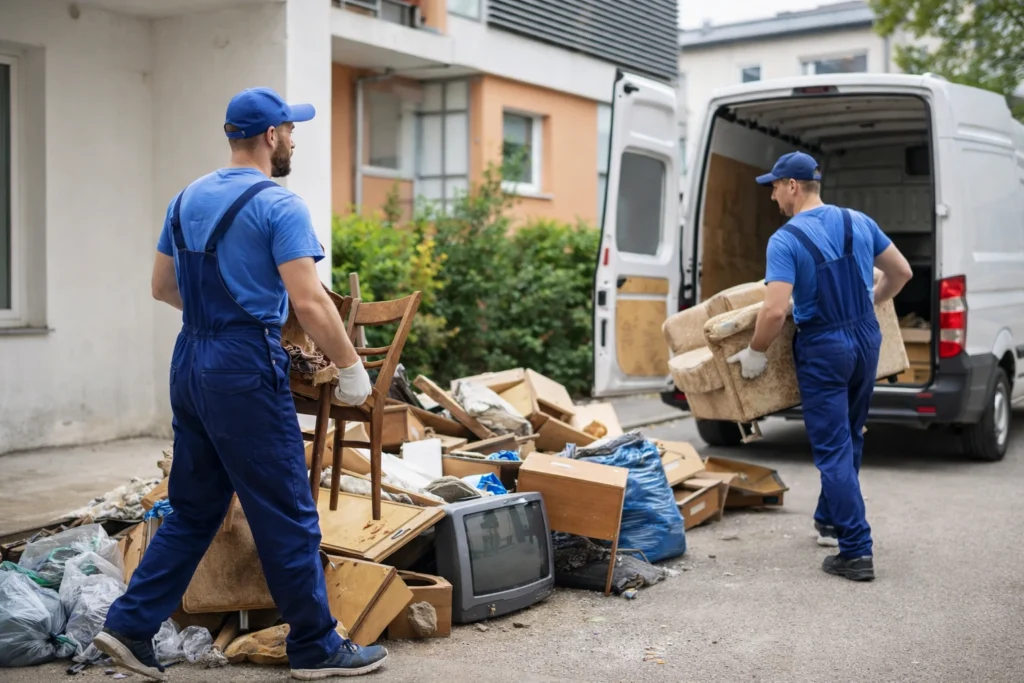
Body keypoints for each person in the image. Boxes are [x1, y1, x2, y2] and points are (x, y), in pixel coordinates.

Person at [93, 87, 388, 680]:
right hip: (242, 367)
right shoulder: (280, 205)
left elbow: (162, 287)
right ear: (271, 136)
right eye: (291, 130)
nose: (295, 140)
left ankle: (127, 627)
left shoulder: (185, 199)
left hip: (191, 359)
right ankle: (315, 646)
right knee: (286, 509)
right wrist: (353, 370)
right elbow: (308, 301)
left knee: (195, 509)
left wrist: (214, 329)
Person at [726, 151, 912, 582]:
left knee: (832, 450)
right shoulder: (858, 221)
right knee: (849, 434)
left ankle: (856, 550)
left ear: (793, 186)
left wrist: (756, 352)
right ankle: (831, 521)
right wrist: (870, 301)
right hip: (866, 337)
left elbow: (773, 312)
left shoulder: (786, 239)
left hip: (825, 345)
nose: (772, 196)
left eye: (774, 186)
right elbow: (900, 272)